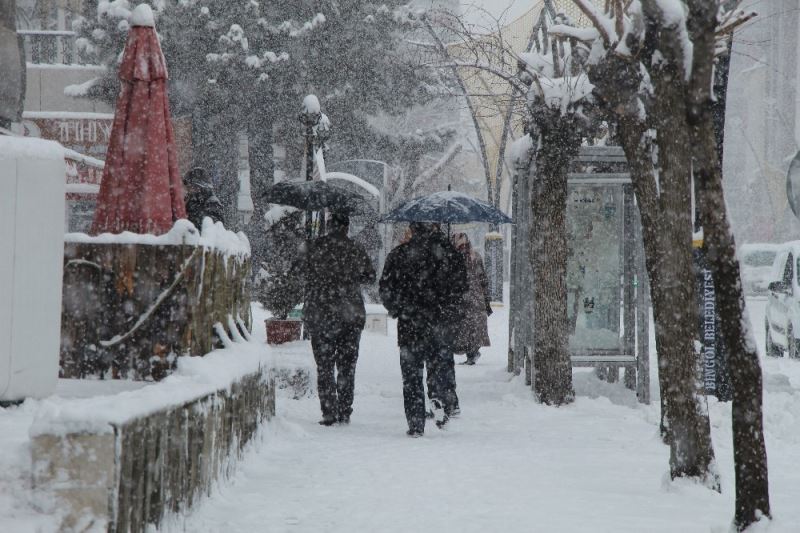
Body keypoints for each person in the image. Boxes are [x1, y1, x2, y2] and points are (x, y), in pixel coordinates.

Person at [379, 222, 468, 437]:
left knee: (411, 378)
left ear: (413, 230)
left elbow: (385, 289)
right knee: (438, 371)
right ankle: (439, 401)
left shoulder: (399, 255)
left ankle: (416, 423)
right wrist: (448, 311)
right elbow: (461, 288)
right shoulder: (449, 255)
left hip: (411, 327)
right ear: (435, 229)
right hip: (440, 325)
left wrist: (399, 309)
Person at [304, 212, 376, 426]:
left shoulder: (315, 247)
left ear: (328, 227)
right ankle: (345, 409)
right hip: (349, 315)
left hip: (321, 314)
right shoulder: (355, 249)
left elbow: (300, 271)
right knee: (347, 366)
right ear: (346, 227)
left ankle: (328, 411)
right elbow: (370, 277)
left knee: (324, 366)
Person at [451, 233, 492, 365]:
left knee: (471, 327)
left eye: (463, 244)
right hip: (467, 297)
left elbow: (483, 279)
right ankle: (472, 353)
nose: (462, 246)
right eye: (460, 244)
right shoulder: (464, 257)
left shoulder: (466, 257)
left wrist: (486, 299)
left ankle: (472, 353)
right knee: (467, 327)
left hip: (470, 297)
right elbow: (483, 279)